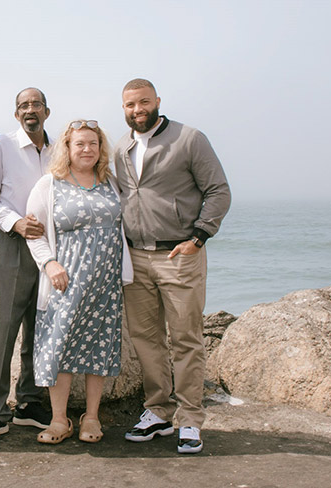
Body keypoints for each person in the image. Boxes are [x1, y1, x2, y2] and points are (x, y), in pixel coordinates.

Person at [113, 78, 231, 454]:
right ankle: (158, 412)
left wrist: (199, 237)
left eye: (144, 102)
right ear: (124, 107)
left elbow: (218, 190)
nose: (138, 110)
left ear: (157, 101)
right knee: (146, 340)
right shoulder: (120, 147)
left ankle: (191, 419)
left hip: (179, 255)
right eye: (131, 105)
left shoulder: (189, 139)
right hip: (136, 258)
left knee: (185, 339)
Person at [25, 120, 133, 444]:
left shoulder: (110, 182)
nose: (87, 149)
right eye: (79, 144)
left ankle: (92, 418)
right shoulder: (50, 184)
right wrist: (49, 263)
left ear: (101, 149)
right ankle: (60, 420)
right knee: (59, 346)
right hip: (65, 282)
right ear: (67, 149)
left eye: (93, 144)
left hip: (106, 283)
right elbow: (35, 234)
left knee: (98, 349)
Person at [0, 88, 53, 442]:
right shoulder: (1, 146)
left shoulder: (59, 148)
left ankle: (30, 401)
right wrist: (17, 222)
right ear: (16, 113)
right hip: (15, 244)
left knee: (41, 325)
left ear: (46, 112)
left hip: (52, 249)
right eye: (23, 106)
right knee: (6, 327)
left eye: (36, 104)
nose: (30, 109)